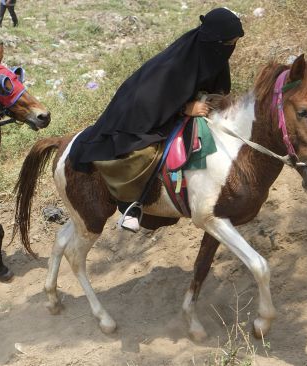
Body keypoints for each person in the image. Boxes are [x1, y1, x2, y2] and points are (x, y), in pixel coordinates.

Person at [67, 8, 244, 232]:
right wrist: (186, 108)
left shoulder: (212, 53)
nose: (230, 49)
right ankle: (132, 203)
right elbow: (155, 98)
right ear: (215, 41)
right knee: (145, 151)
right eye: (228, 43)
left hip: (172, 108)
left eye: (233, 44)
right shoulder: (176, 65)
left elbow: (214, 86)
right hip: (140, 111)